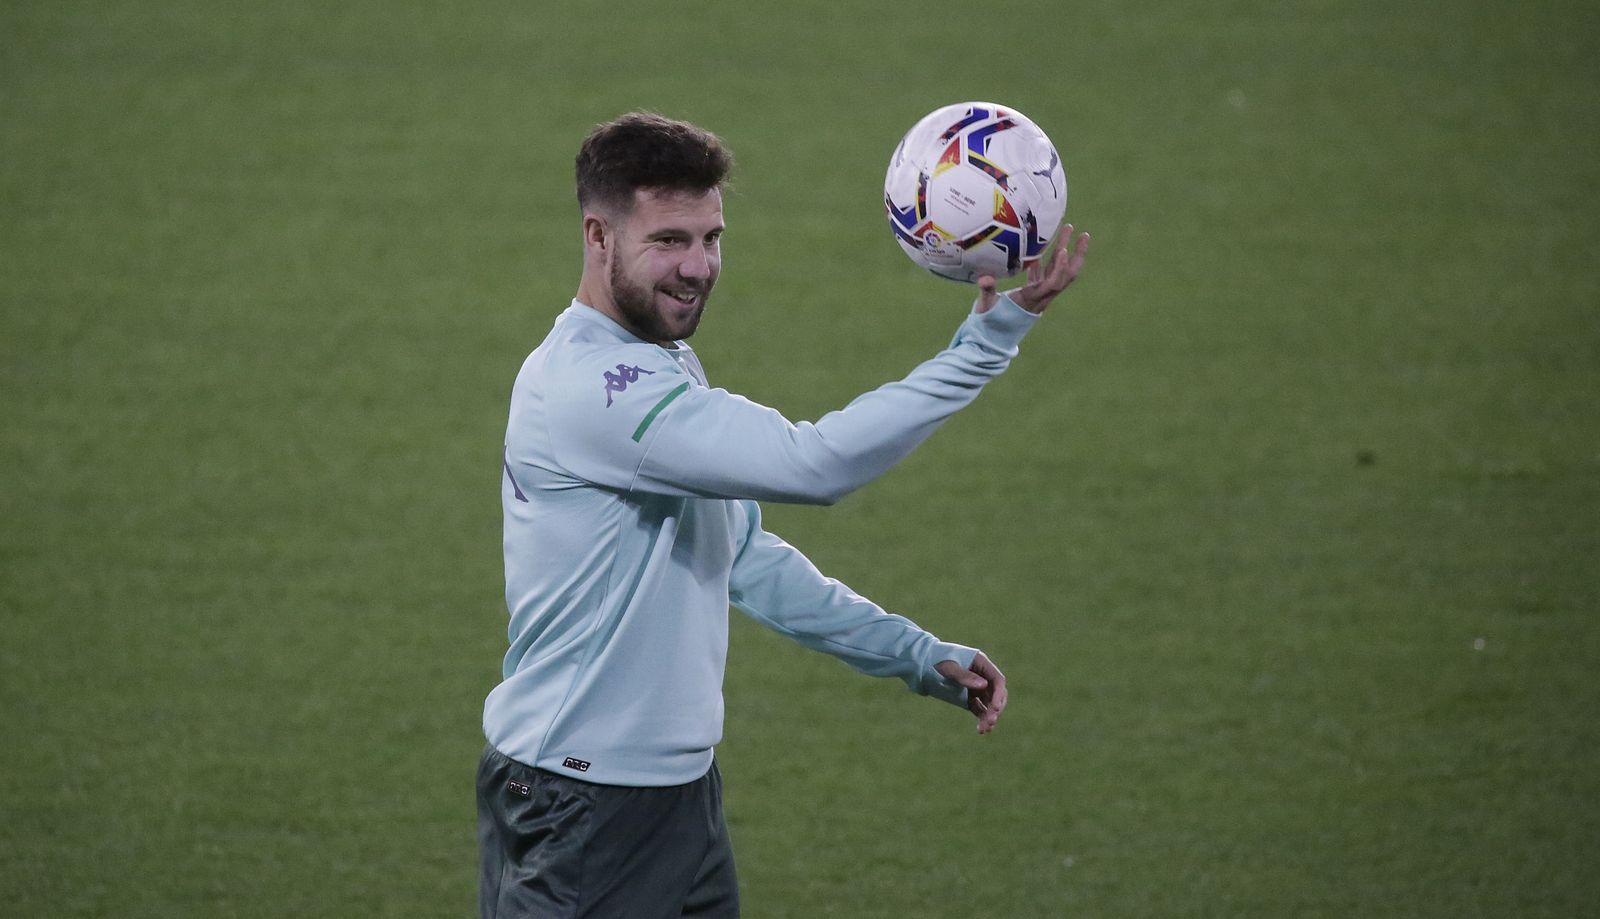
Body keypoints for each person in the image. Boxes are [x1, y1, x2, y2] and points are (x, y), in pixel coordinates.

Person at [478, 112, 1089, 918]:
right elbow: (817, 462)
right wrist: (986, 342)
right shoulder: (596, 389)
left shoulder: (655, 363)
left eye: (711, 237)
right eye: (669, 240)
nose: (698, 266)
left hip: (669, 796)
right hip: (584, 802)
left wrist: (911, 652)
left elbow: (742, 555)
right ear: (598, 236)